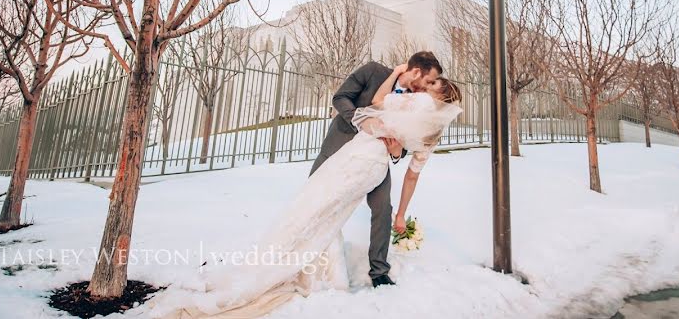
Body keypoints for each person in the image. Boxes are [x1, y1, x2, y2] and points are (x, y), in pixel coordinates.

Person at [142, 68, 462, 319]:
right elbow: (411, 176)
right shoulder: (432, 132)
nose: (424, 85)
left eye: (431, 84)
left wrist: (395, 74)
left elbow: (378, 103)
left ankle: (280, 266)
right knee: (326, 216)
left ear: (437, 94)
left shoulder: (415, 102)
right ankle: (322, 273)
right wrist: (401, 212)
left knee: (310, 208)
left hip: (358, 160)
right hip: (371, 166)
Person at [309, 51, 442, 288]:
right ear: (416, 72)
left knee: (383, 208)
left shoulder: (414, 101)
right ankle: (310, 256)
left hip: (374, 160)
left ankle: (379, 270)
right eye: (429, 80)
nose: (429, 87)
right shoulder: (373, 71)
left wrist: (396, 153)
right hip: (339, 146)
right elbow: (340, 98)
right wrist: (361, 120)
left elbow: (404, 143)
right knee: (313, 200)